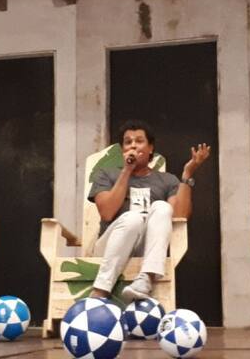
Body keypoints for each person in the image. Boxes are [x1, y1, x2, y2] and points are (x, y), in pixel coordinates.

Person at [88, 120, 210, 301]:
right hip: (110, 247)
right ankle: (101, 290)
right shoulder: (106, 174)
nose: (133, 145)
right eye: (128, 142)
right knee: (133, 219)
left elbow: (180, 216)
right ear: (122, 150)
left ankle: (146, 278)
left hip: (148, 249)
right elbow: (107, 213)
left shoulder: (167, 180)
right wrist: (127, 171)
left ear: (151, 148)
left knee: (162, 207)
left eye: (139, 141)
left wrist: (187, 175)